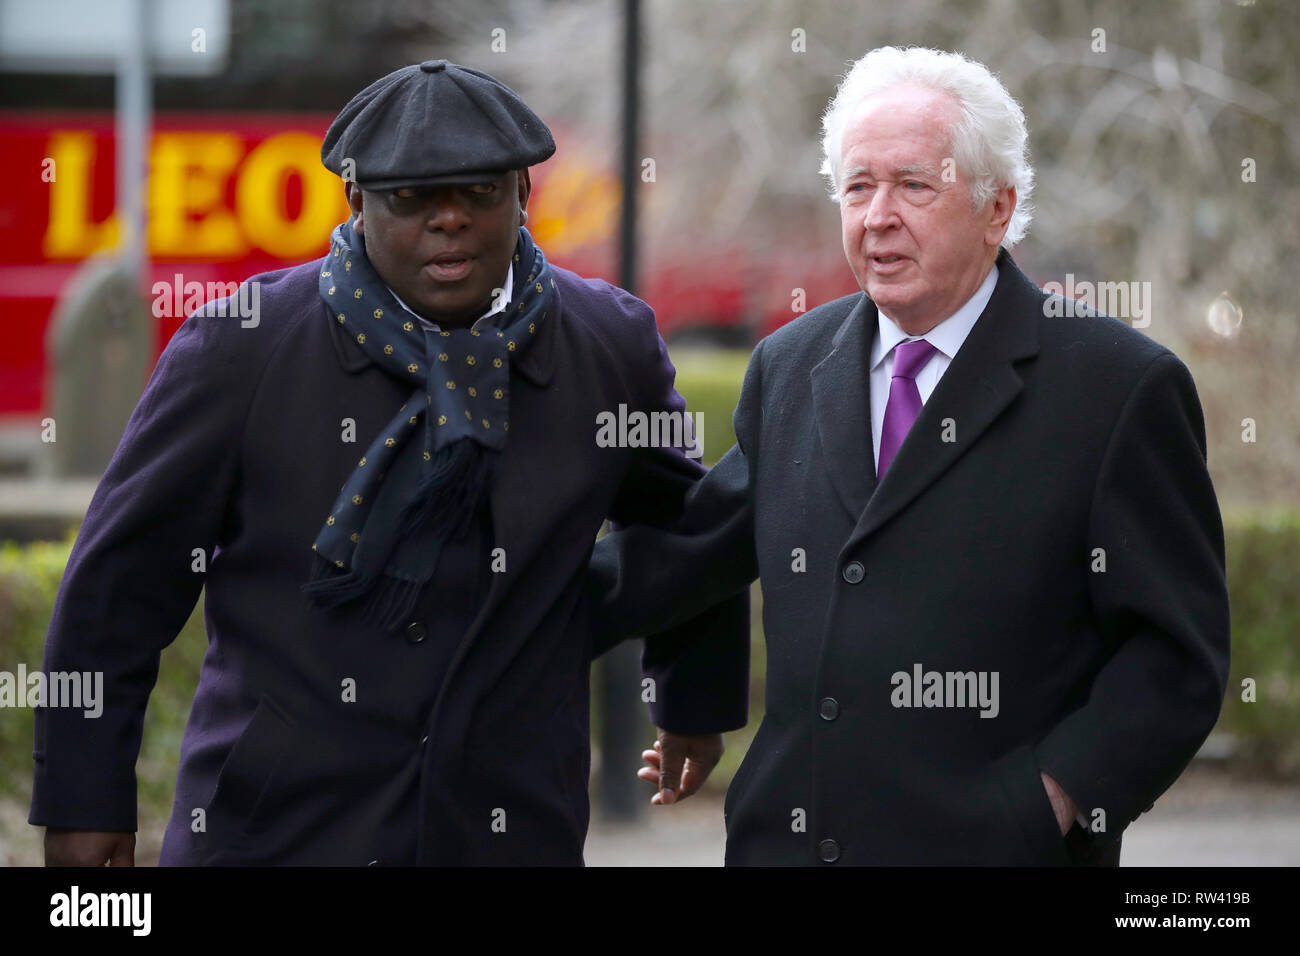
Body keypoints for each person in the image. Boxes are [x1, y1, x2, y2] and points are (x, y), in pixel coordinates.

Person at [31, 60, 747, 866]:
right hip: (277, 831)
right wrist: (85, 805)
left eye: (479, 192)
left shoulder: (607, 346)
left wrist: (693, 700)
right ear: (357, 202)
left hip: (510, 830)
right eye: (411, 198)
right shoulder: (240, 346)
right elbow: (118, 584)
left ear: (523, 195)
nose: (450, 221)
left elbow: (686, 530)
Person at [591, 46, 1230, 865]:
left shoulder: (1119, 387)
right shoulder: (789, 364)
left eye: (913, 186)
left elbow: (1177, 659)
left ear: (997, 208)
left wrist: (1049, 804)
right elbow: (694, 554)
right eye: (858, 187)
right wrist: (501, 598)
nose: (877, 215)